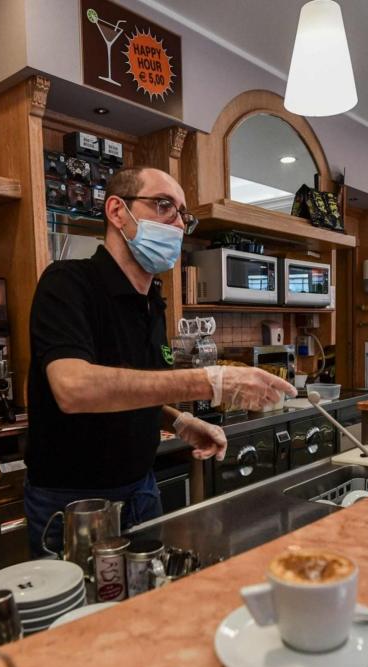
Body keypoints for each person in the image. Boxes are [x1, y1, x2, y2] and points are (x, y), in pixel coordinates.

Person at [23, 166, 296, 556]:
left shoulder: (152, 302)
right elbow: (74, 388)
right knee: (87, 616)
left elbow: (132, 387)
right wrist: (210, 381)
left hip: (141, 489)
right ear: (117, 212)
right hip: (74, 502)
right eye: (164, 205)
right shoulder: (67, 284)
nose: (179, 224)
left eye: (184, 214)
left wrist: (179, 421)